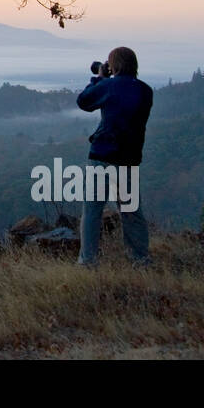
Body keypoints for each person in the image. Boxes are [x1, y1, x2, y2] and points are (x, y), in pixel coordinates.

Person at [76, 46, 153, 266]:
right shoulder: (146, 90)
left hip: (102, 155)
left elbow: (84, 102)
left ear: (114, 66)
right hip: (129, 158)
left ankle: (88, 261)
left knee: (92, 211)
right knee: (131, 211)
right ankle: (140, 258)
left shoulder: (109, 86)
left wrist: (98, 79)